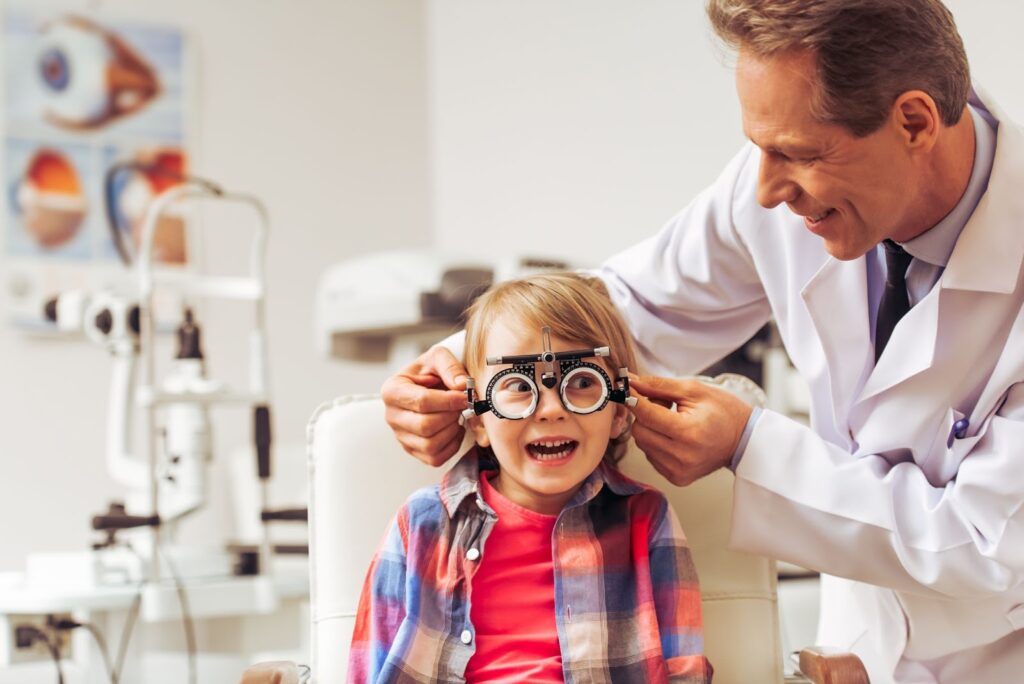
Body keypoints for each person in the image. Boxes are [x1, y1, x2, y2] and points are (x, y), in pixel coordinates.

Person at [379, 1, 1024, 682]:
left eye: (797, 155)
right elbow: (626, 310)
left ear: (915, 122)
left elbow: (987, 543)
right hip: (854, 650)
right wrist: (457, 367)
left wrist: (751, 446)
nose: (767, 190)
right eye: (758, 148)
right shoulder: (775, 189)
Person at [349, 273, 713, 683]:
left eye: (581, 382)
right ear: (477, 420)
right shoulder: (421, 524)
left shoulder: (647, 519)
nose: (551, 409)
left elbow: (685, 670)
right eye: (517, 386)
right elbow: (367, 665)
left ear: (619, 410)